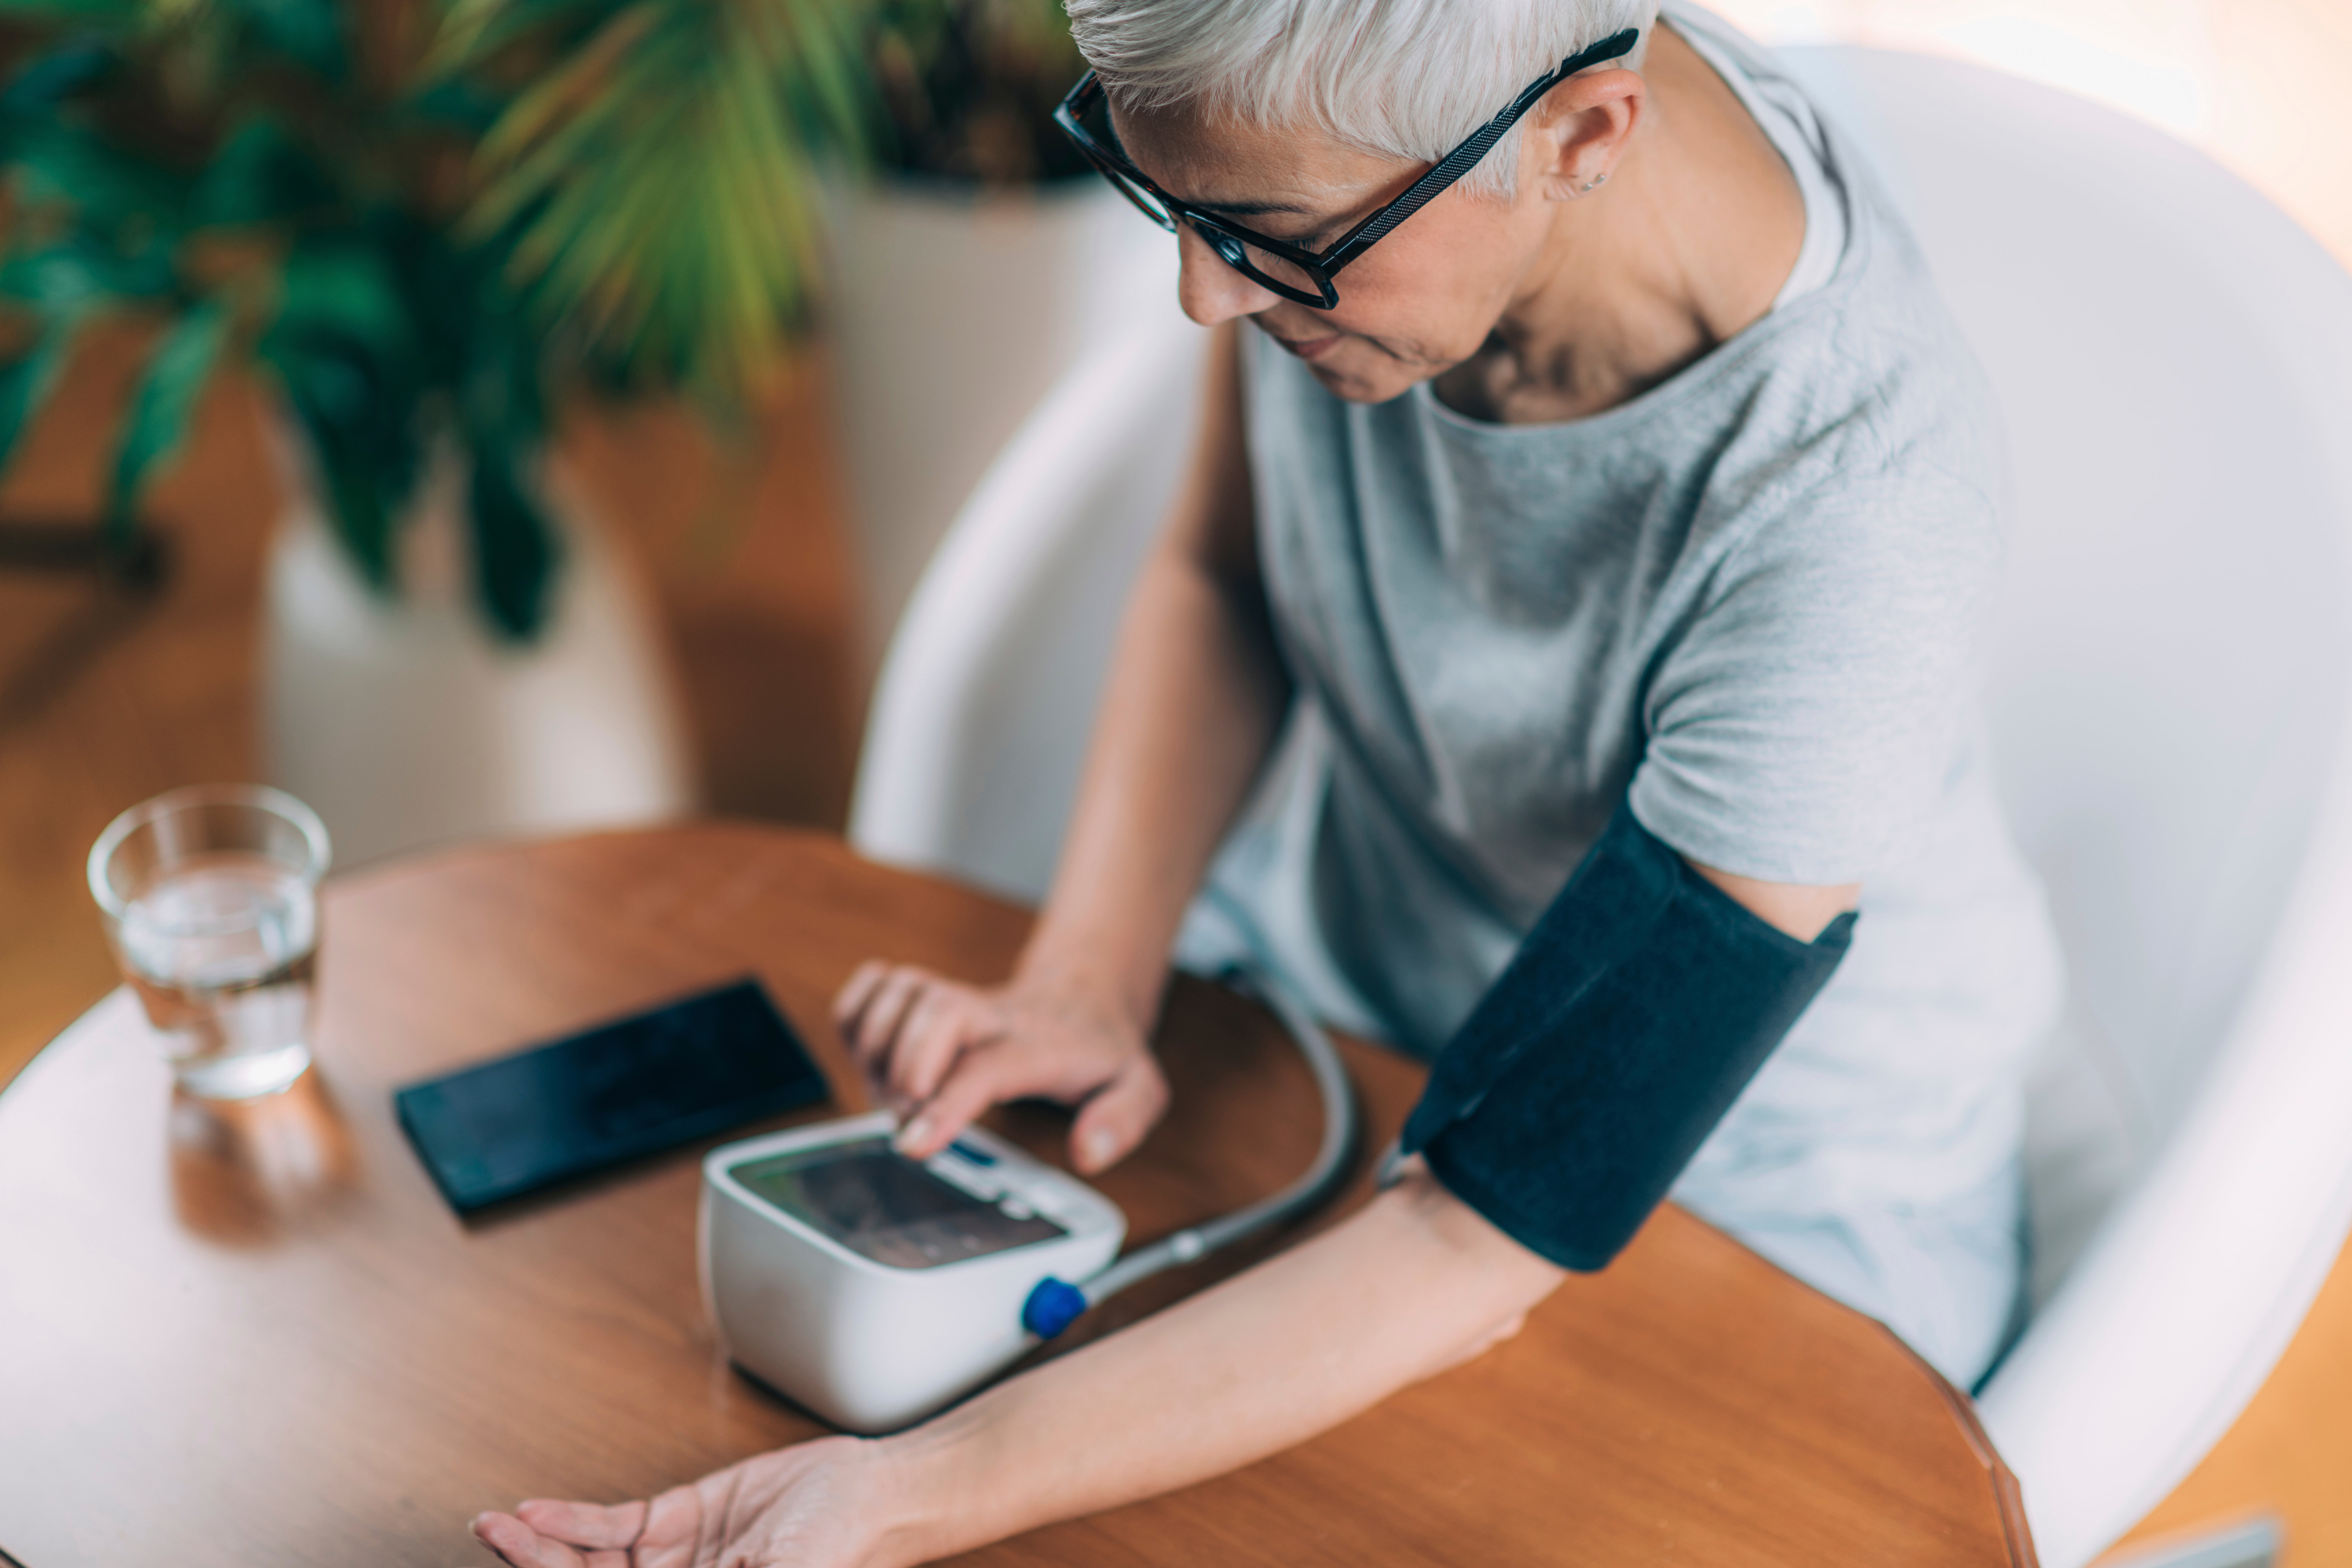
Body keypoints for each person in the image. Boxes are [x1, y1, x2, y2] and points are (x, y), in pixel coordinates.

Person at [472, 1, 2064, 1562]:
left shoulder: (1858, 523)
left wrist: (907, 1490)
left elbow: (1485, 1219)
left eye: (1266, 237)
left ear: (1580, 138)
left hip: (1735, 1212)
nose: (1198, 297)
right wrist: (1087, 981)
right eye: (1167, 204)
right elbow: (1227, 575)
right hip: (1348, 1033)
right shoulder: (1381, 154)